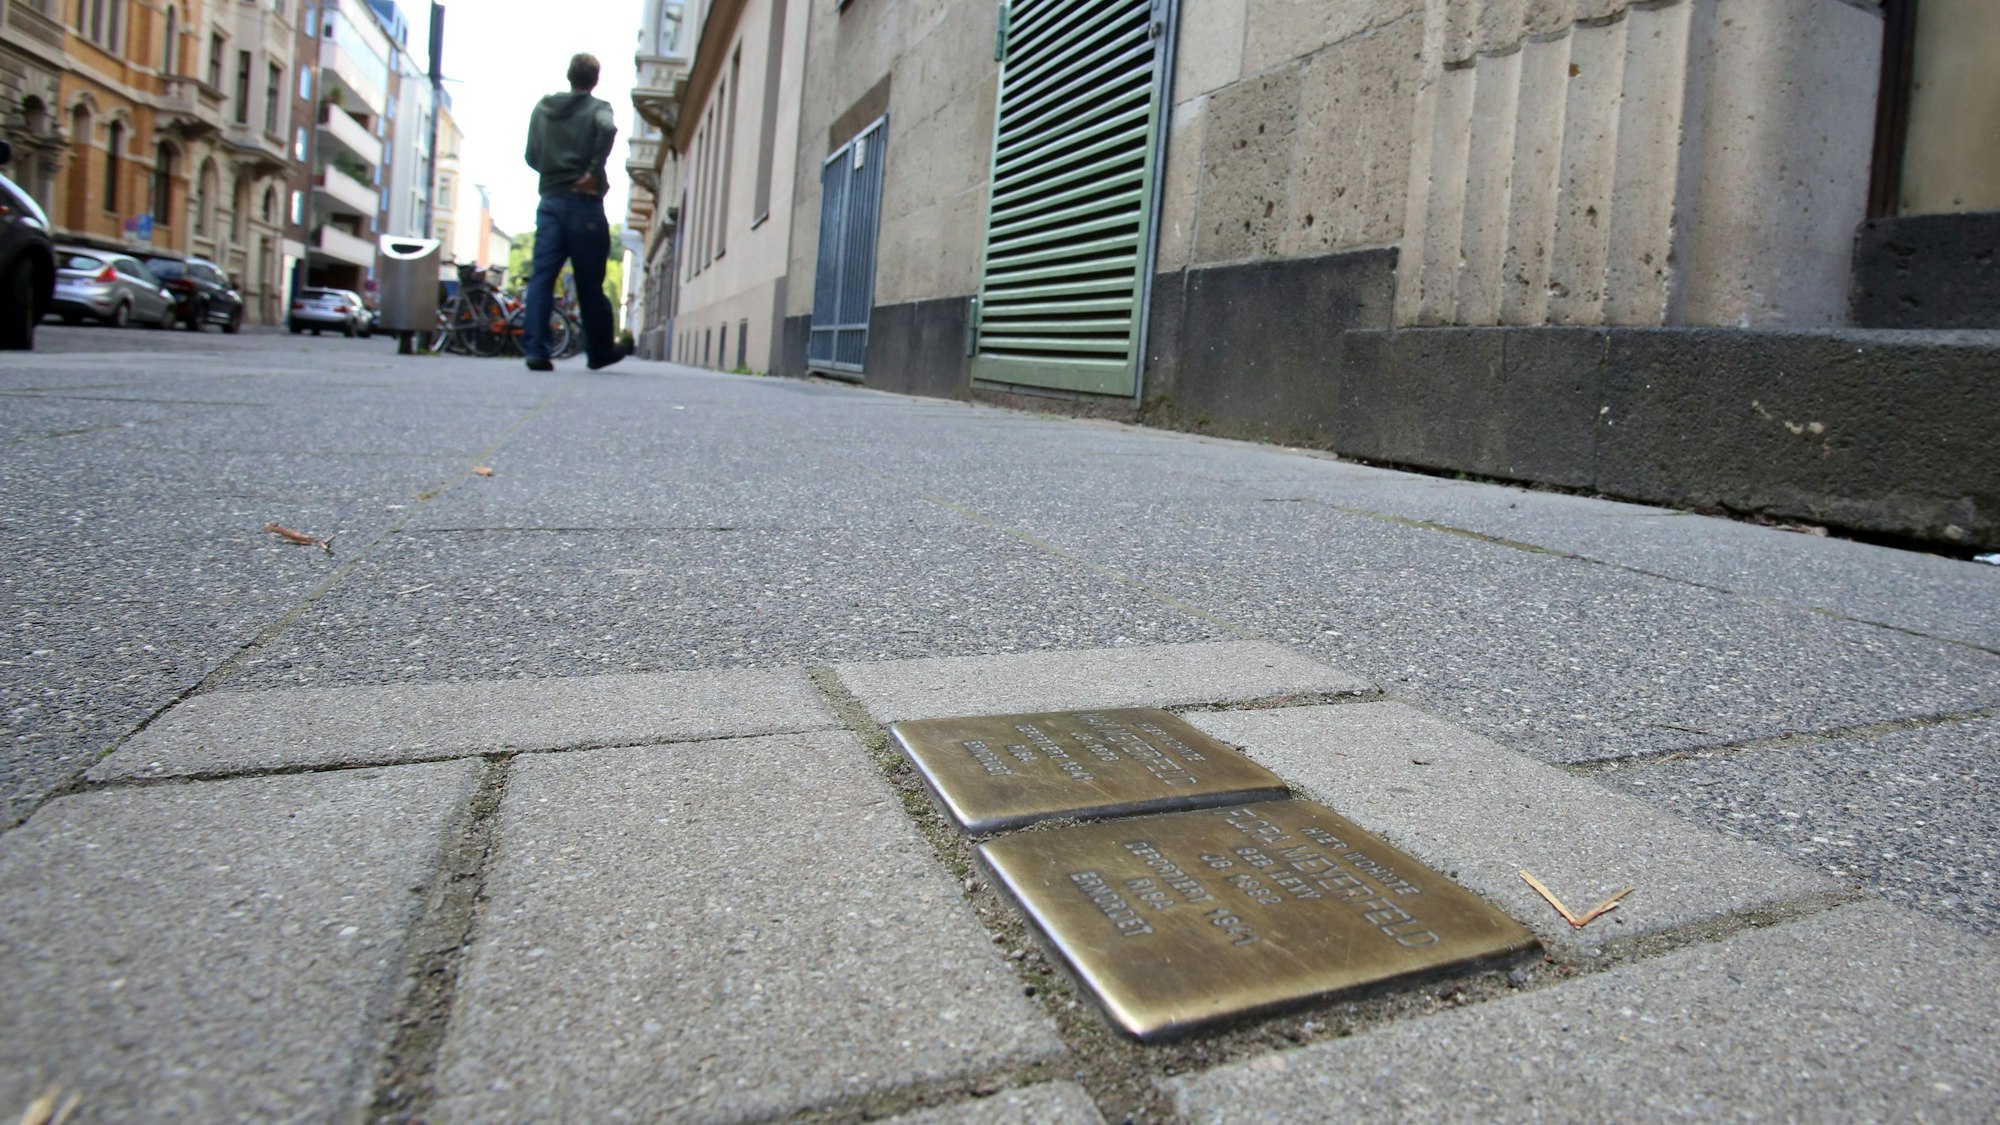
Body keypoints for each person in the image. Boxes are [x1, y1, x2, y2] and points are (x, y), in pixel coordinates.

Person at [522, 52, 621, 371]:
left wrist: (554, 173)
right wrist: (591, 170)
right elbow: (607, 128)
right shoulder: (598, 108)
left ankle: (536, 350)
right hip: (585, 204)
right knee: (589, 281)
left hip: (550, 201)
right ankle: (599, 351)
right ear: (595, 80)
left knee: (542, 278)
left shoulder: (543, 109)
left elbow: (531, 155)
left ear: (569, 75)